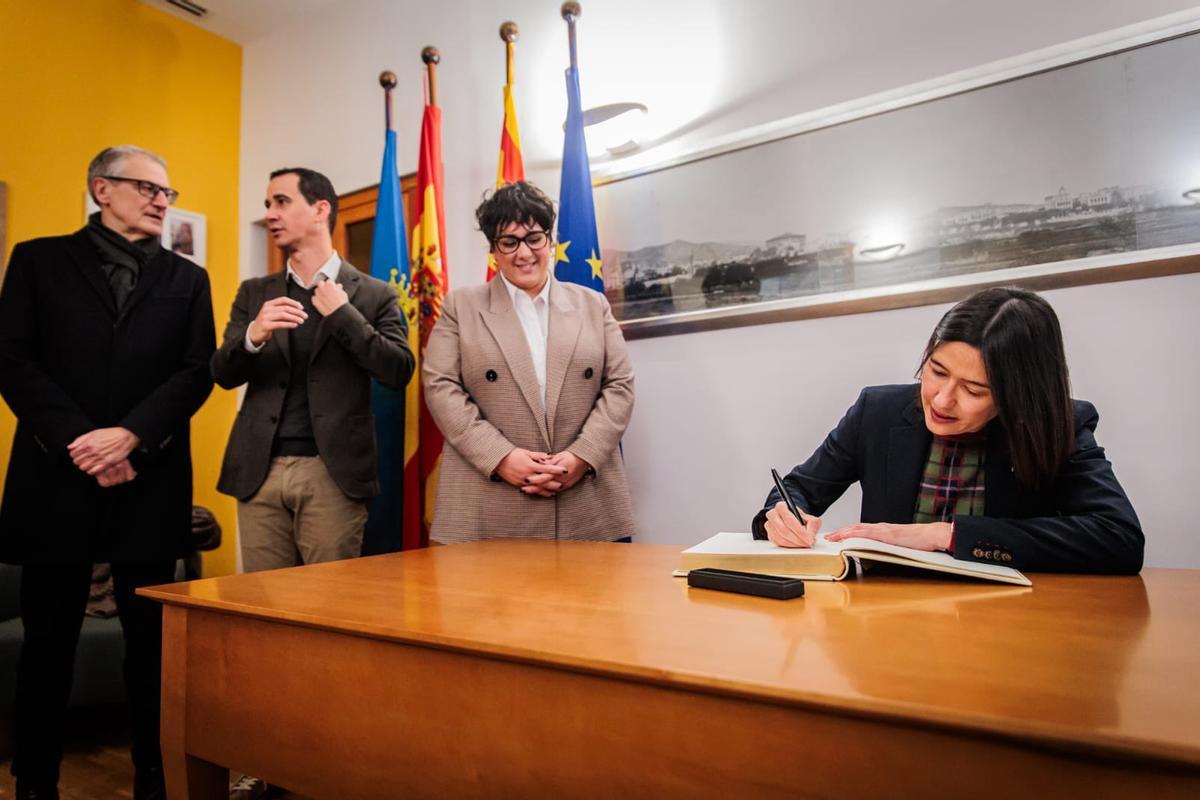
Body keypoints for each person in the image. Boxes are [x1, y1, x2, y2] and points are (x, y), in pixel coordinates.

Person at [0, 145, 216, 800]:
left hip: (149, 483)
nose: (161, 200)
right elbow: (12, 360)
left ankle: (154, 777)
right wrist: (81, 441)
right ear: (102, 188)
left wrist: (130, 437)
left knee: (151, 647)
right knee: (47, 645)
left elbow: (195, 372)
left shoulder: (189, 279)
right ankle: (35, 781)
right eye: (148, 188)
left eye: (168, 192)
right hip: (54, 480)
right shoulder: (37, 261)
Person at [755, 286, 1143, 574]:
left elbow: (1119, 539)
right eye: (937, 372)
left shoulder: (1057, 426)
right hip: (884, 620)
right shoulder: (877, 412)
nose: (942, 401)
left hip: (1007, 624)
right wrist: (783, 515)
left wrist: (945, 535)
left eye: (974, 390)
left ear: (1017, 396)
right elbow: (797, 489)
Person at [212, 167, 413, 572]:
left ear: (321, 210)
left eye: (282, 202)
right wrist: (253, 335)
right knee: (262, 600)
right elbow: (222, 373)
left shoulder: (375, 294)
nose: (271, 213)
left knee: (326, 599)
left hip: (333, 473)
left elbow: (398, 371)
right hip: (259, 471)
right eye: (268, 204)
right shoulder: (254, 293)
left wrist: (343, 314)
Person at [423, 181, 635, 543]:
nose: (524, 253)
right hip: (489, 500)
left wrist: (581, 456)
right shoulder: (461, 306)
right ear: (494, 250)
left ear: (549, 240)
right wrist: (501, 457)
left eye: (534, 238)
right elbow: (440, 387)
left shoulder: (592, 304)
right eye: (509, 242)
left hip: (584, 501)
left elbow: (620, 385)